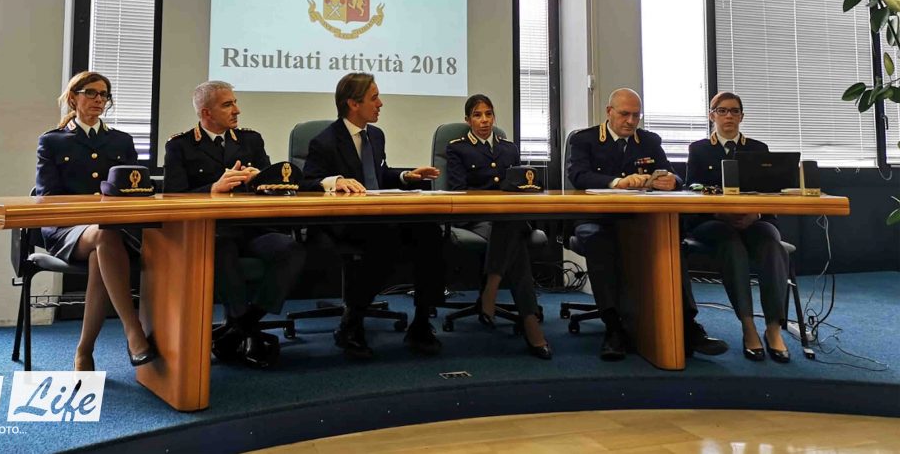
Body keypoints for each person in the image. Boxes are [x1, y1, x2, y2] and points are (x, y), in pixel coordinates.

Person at [566, 87, 728, 361]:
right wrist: (617, 182)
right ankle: (613, 327)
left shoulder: (649, 141)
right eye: (624, 114)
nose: (631, 121)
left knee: (669, 240)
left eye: (636, 115)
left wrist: (671, 182)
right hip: (598, 219)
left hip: (641, 220)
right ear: (609, 112)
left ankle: (688, 325)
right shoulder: (586, 140)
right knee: (597, 241)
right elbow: (578, 176)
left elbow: (675, 177)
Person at [302, 72, 444, 359]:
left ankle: (421, 321)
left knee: (429, 230)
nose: (381, 104)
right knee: (384, 238)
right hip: (343, 223)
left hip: (378, 217)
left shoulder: (375, 136)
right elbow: (306, 182)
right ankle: (351, 323)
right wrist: (335, 181)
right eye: (374, 98)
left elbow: (377, 176)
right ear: (353, 104)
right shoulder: (325, 141)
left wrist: (406, 176)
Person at [164, 81, 305, 368]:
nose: (237, 110)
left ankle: (241, 327)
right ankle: (246, 331)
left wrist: (258, 180)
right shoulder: (180, 145)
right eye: (227, 104)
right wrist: (212, 189)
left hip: (252, 228)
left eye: (235, 102)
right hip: (212, 230)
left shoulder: (250, 140)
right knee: (222, 248)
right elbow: (172, 196)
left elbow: (274, 186)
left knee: (290, 249)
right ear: (206, 113)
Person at [35, 71, 157, 371]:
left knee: (101, 250)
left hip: (111, 231)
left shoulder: (121, 140)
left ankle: (84, 351)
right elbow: (47, 196)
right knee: (103, 236)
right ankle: (133, 330)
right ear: (73, 97)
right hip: (66, 228)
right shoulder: (52, 141)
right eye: (91, 93)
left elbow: (133, 189)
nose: (99, 99)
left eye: (104, 95)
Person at [685, 91, 790, 362]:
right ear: (712, 115)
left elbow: (771, 193)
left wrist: (756, 213)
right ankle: (748, 326)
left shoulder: (758, 148)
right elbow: (691, 190)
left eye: (734, 111)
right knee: (731, 245)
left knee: (772, 244)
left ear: (742, 116)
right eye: (722, 111)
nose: (728, 116)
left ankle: (773, 327)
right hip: (713, 222)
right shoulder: (699, 149)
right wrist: (719, 212)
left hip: (755, 220)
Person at [445, 94, 551, 359]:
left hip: (511, 219)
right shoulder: (458, 148)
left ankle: (491, 287)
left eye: (489, 114)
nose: (484, 120)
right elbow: (458, 190)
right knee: (515, 240)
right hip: (479, 219)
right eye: (477, 115)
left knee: (509, 223)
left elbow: (520, 186)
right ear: (467, 120)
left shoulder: (509, 148)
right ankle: (530, 322)